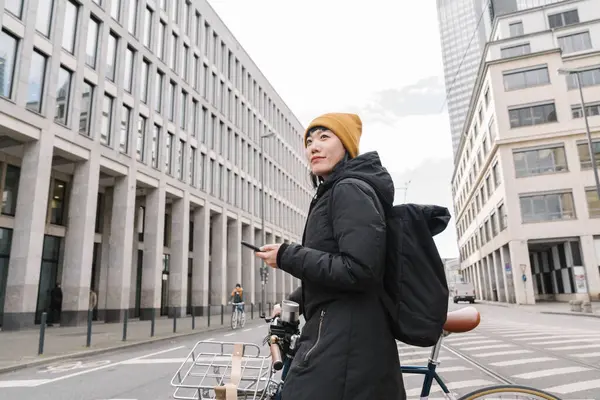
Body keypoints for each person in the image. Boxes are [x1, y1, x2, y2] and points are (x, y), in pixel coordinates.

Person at [256, 112, 405, 400]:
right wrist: (294, 302)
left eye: (325, 137)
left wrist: (288, 255)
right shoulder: (333, 192)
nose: (313, 146)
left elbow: (359, 269)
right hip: (338, 333)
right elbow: (332, 267)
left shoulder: (349, 190)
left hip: (347, 341)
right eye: (309, 141)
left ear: (346, 146)